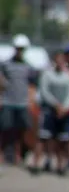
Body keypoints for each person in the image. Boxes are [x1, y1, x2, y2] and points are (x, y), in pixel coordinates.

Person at [35, 50, 69, 176]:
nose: (60, 62)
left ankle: (60, 165)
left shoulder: (67, 76)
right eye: (58, 59)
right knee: (43, 138)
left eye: (62, 60)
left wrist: (64, 108)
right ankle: (37, 164)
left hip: (62, 112)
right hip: (49, 110)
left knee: (62, 140)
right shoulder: (47, 75)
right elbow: (44, 91)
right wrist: (55, 105)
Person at [0, 34, 34, 166]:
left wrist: (30, 100)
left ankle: (18, 154)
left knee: (21, 130)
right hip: (8, 101)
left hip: (22, 103)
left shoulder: (28, 66)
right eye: (18, 48)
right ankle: (2, 154)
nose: (20, 51)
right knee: (5, 129)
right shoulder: (6, 65)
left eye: (22, 49)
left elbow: (31, 85)